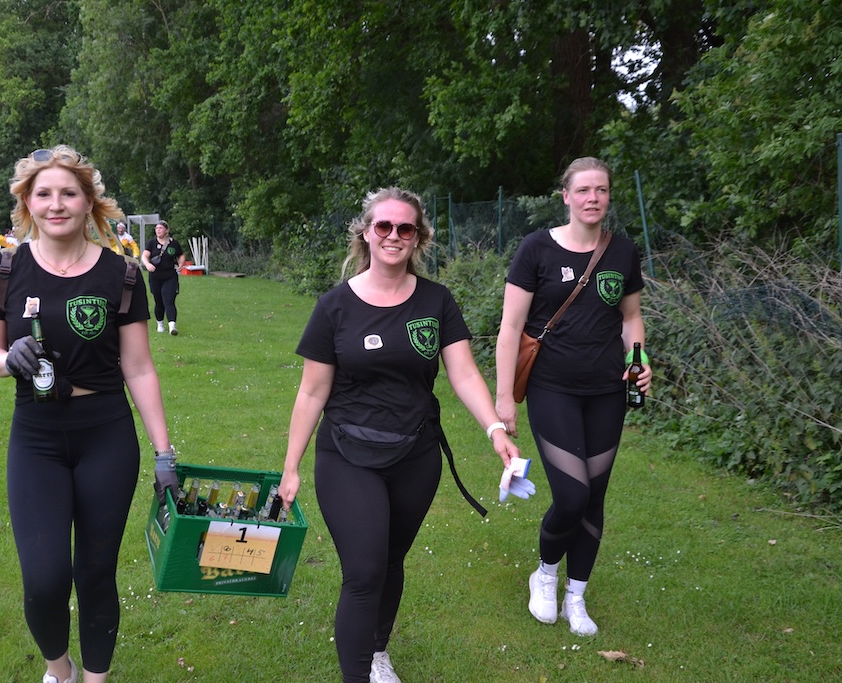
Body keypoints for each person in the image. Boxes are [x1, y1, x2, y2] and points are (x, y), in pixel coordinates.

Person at [279, 187, 520, 683]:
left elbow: (463, 373)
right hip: (347, 454)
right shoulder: (334, 307)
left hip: (416, 455)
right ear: (366, 233)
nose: (393, 235)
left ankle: (377, 651)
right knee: (364, 572)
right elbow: (312, 392)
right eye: (383, 226)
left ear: (418, 237)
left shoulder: (436, 300)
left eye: (404, 227)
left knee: (390, 561)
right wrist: (291, 466)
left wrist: (495, 428)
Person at [0, 145, 177, 683]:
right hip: (36, 436)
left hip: (106, 434)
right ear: (27, 203)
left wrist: (164, 452)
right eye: (44, 194)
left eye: (68, 193)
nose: (56, 204)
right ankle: (59, 671)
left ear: (89, 202)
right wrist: (7, 360)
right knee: (44, 580)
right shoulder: (2, 269)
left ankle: (95, 679)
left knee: (95, 574)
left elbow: (139, 368)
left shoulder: (121, 275)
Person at [493, 157, 652, 637]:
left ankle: (576, 597)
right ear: (566, 196)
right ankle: (544, 574)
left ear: (608, 196)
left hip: (607, 391)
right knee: (573, 494)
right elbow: (510, 327)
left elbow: (630, 317)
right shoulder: (536, 249)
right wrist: (504, 398)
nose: (592, 198)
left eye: (601, 190)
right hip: (552, 389)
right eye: (583, 190)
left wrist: (640, 359)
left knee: (594, 497)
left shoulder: (622, 251)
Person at [141, 220, 185, 335]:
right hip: (155, 277)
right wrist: (147, 264)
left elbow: (181, 255)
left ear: (166, 230)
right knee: (159, 301)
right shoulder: (151, 243)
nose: (158, 230)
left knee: (169, 300)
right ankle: (160, 324)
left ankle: (172, 326)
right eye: (157, 228)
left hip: (170, 276)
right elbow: (144, 255)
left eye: (160, 228)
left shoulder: (173, 243)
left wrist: (181, 264)